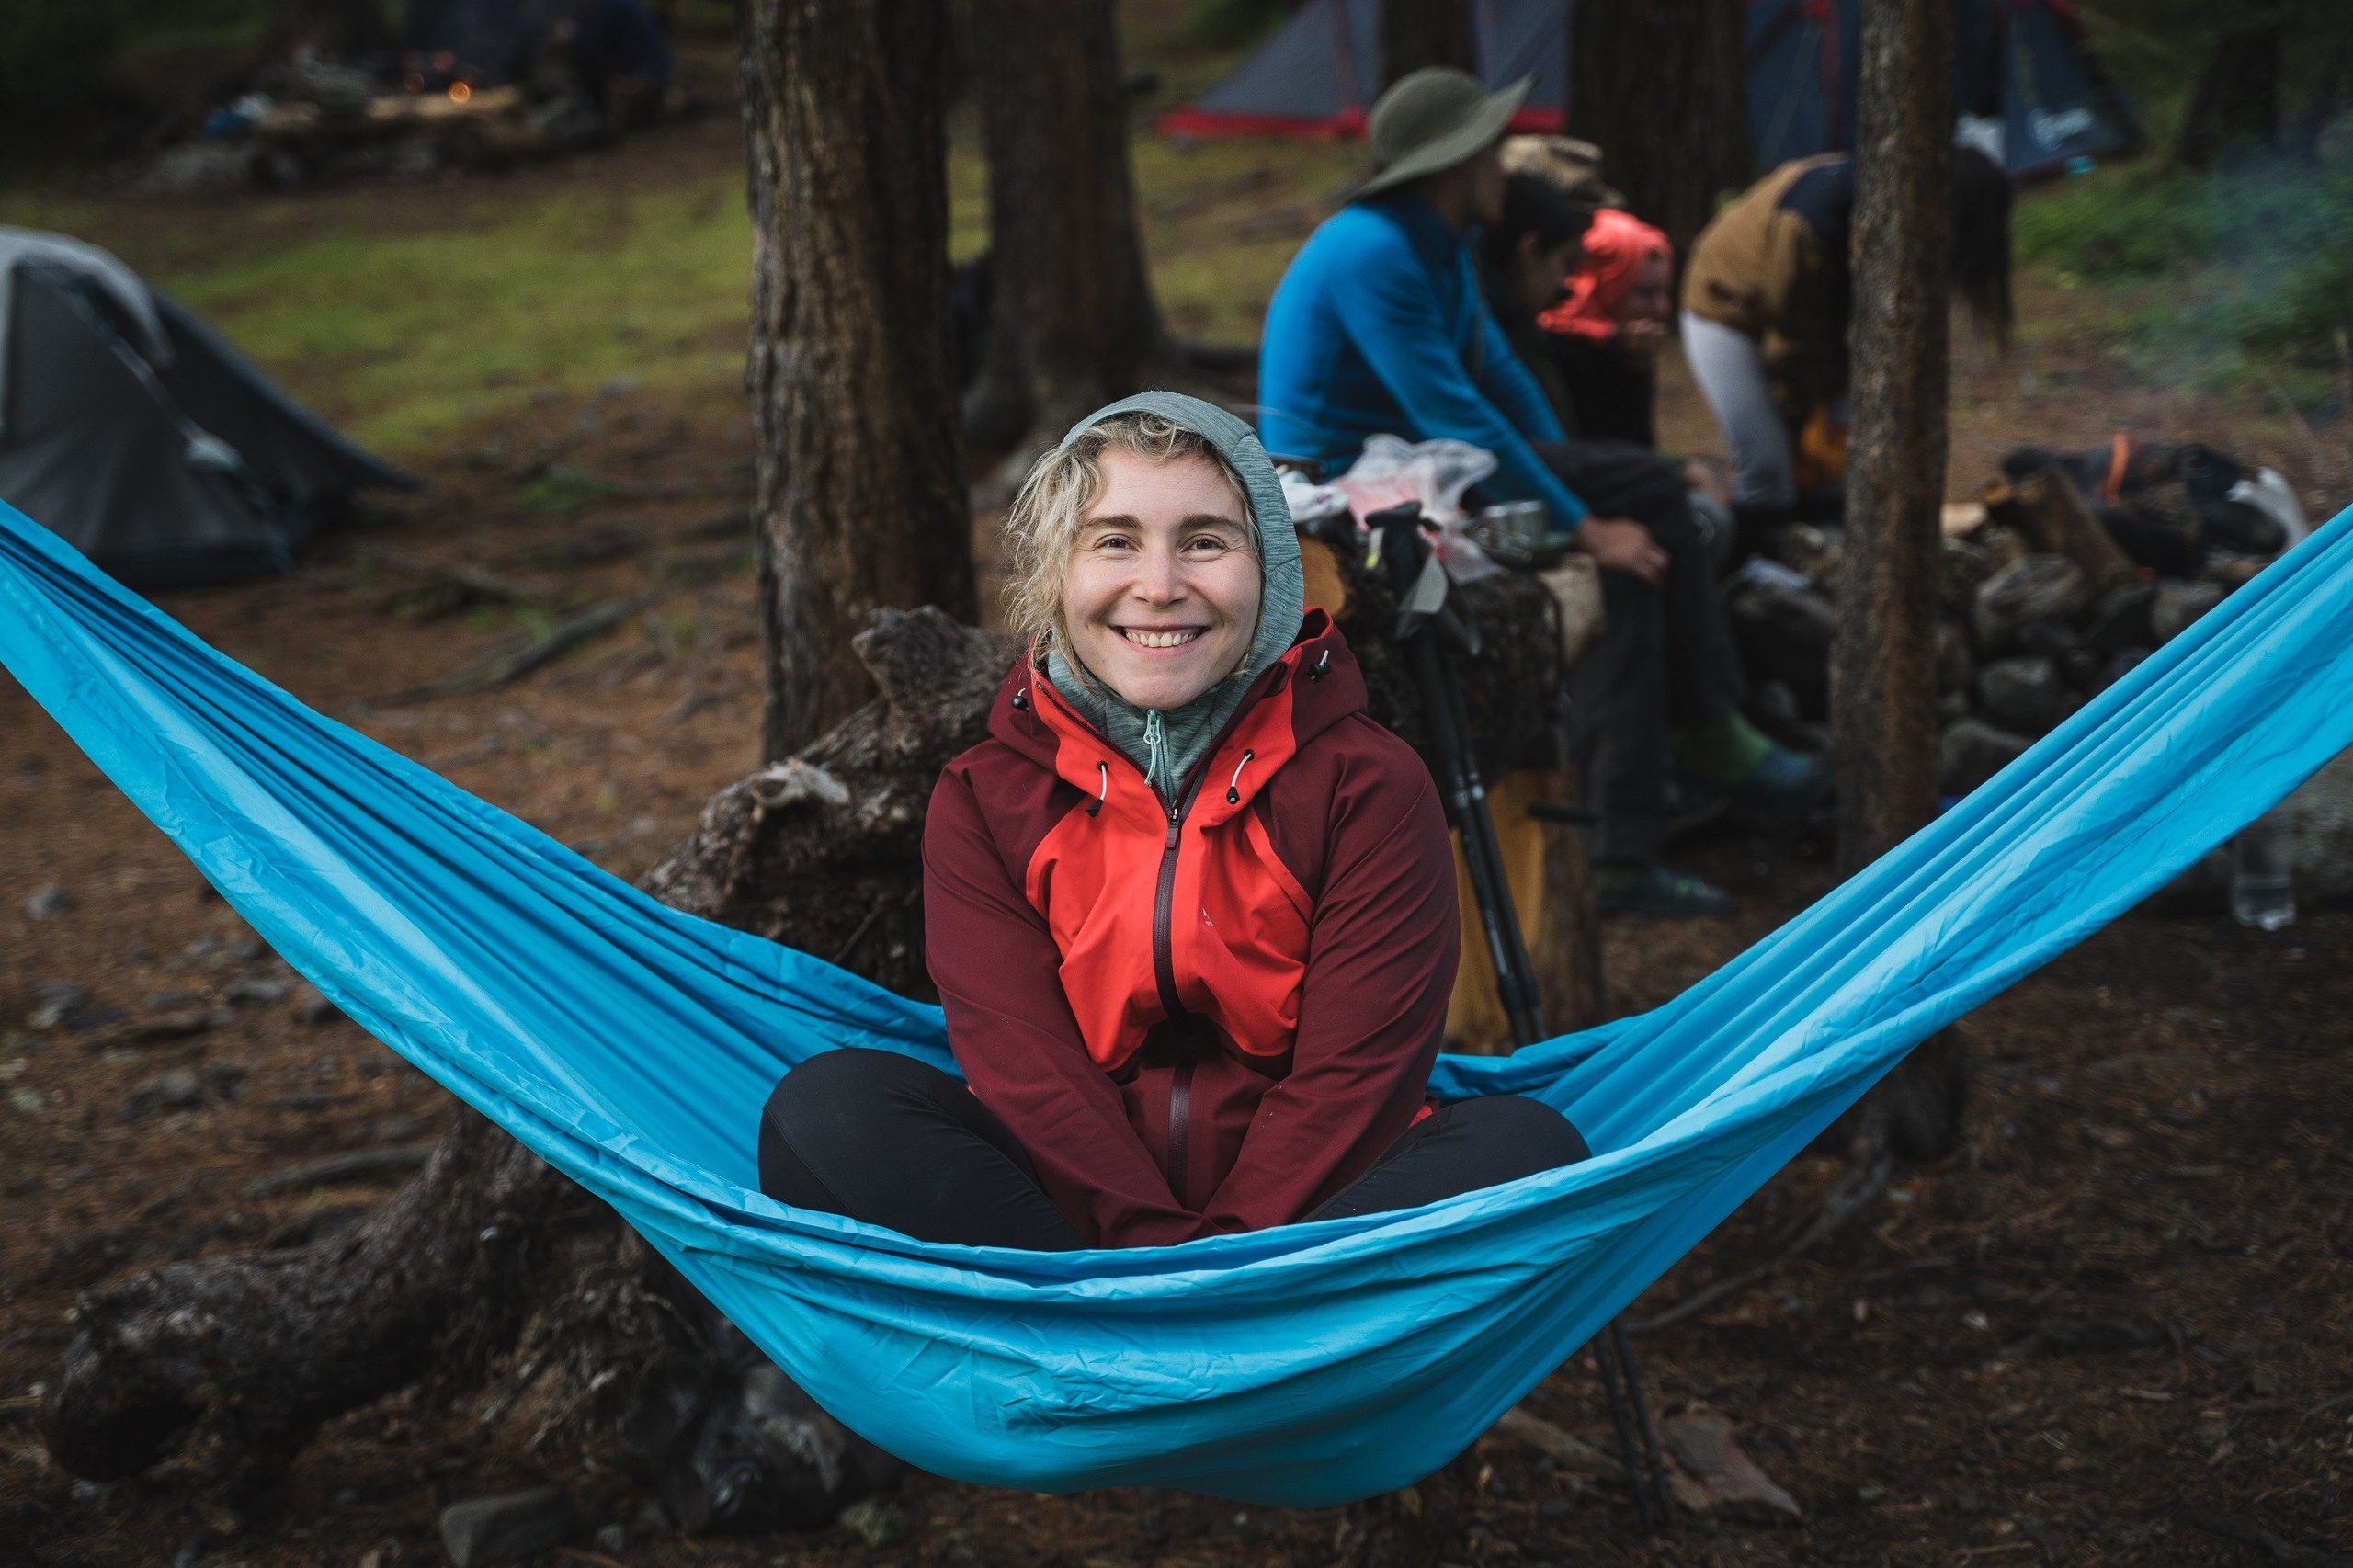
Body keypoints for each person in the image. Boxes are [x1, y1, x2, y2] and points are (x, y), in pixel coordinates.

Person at [755, 393, 1592, 1250]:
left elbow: (1355, 1080)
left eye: (1205, 542)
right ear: (1057, 575)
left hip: (1313, 1231)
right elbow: (1029, 1071)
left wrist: (1223, 1266)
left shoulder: (1366, 786)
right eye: (1114, 541)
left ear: (1272, 571)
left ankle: (1166, 1322)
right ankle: (1174, 1324)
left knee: (1529, 1152)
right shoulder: (985, 798)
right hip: (1071, 1223)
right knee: (830, 1115)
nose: (1159, 587)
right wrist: (1149, 1255)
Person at [1262, 67, 1829, 915]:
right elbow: (1449, 411)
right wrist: (1587, 523)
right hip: (1350, 494)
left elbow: (1499, 379)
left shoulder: (1439, 244)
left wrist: (1574, 472)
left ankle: (1629, 842)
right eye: (1492, 153)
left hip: (1417, 465)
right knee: (1634, 511)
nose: (1505, 170)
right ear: (1454, 163)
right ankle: (1707, 730)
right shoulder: (1375, 250)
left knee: (1632, 551)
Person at [1680, 147, 2013, 515]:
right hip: (1724, 306)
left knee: (1843, 472)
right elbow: (1792, 343)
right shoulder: (1812, 222)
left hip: (1813, 323)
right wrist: (1797, 426)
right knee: (1769, 476)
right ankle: (1748, 543)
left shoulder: (1901, 218)